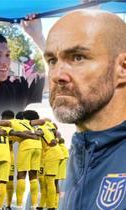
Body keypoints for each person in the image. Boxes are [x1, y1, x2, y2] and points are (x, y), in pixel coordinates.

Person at [45, 9, 126, 209]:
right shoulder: (54, 168)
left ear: (123, 68)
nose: (58, 75)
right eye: (52, 61)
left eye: (78, 57)